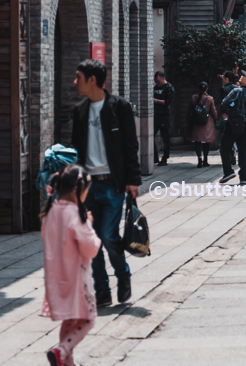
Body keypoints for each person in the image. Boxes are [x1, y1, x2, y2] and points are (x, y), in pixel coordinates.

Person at [70, 59, 140, 307]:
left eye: (78, 77)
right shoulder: (79, 110)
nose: (75, 82)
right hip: (87, 185)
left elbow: (131, 145)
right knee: (92, 241)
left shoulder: (119, 107)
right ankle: (102, 290)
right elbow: (75, 150)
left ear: (92, 80)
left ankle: (123, 276)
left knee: (109, 237)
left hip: (112, 184)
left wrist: (133, 179)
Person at [40, 164, 102, 366]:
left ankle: (67, 362)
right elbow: (90, 248)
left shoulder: (50, 212)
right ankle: (62, 350)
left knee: (70, 319)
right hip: (77, 278)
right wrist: (90, 226)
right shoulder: (76, 215)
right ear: (79, 190)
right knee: (87, 319)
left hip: (56, 278)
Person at [219, 74, 246, 186]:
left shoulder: (236, 91)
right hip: (245, 124)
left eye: (244, 76)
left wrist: (233, 105)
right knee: (243, 151)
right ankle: (243, 178)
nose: (241, 76)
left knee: (225, 147)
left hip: (233, 123)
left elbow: (224, 103)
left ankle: (228, 171)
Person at [187, 82, 217, 167]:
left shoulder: (194, 97)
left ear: (198, 89)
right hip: (206, 122)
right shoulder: (210, 99)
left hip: (196, 122)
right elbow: (214, 112)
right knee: (206, 142)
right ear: (206, 89)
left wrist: (188, 120)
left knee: (197, 142)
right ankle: (205, 160)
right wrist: (216, 119)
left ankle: (199, 159)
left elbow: (189, 110)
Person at [153, 71, 175, 166]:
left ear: (163, 78)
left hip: (164, 115)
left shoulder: (169, 88)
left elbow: (168, 102)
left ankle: (165, 158)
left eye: (158, 81)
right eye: (156, 82)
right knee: (150, 136)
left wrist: (156, 100)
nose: (157, 84)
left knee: (165, 137)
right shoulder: (155, 88)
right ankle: (154, 157)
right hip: (155, 115)